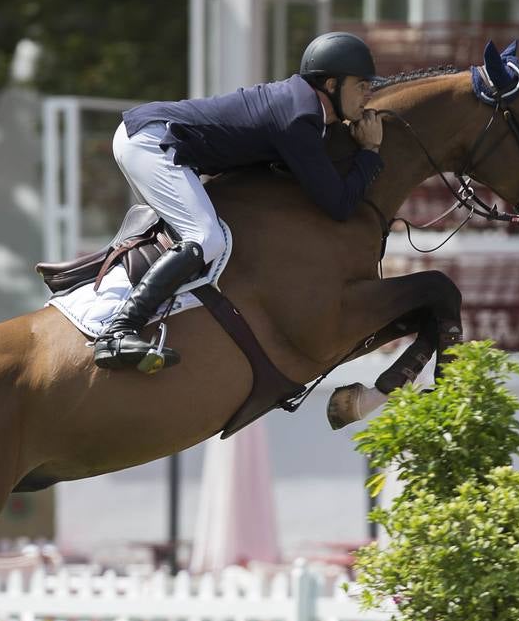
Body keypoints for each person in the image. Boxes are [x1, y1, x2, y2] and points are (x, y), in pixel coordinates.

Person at [95, 31, 386, 372]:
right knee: (206, 237)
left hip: (157, 139)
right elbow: (339, 205)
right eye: (362, 84)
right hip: (151, 141)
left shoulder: (304, 109)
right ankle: (117, 332)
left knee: (206, 235)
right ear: (332, 85)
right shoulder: (299, 116)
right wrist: (370, 152)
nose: (369, 93)